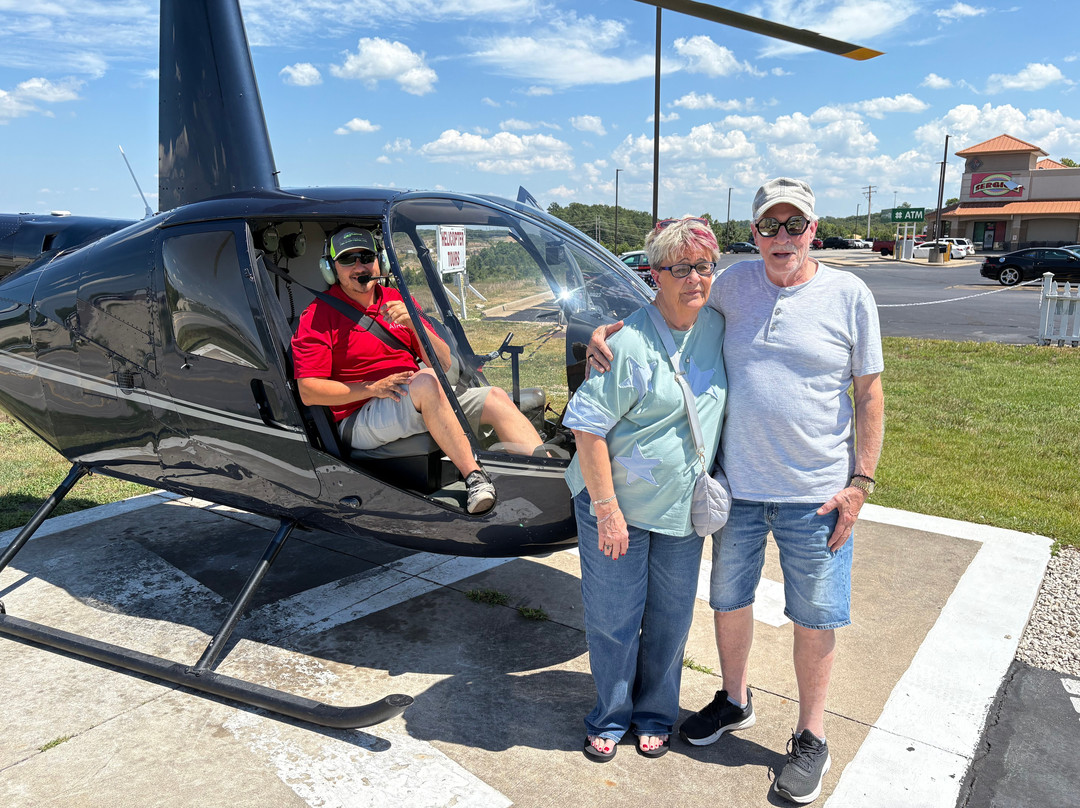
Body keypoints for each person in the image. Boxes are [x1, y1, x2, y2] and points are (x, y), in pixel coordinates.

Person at [587, 178, 884, 803]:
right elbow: (668, 302)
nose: (782, 237)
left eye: (793, 225)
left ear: (813, 229)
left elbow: (869, 394)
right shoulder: (731, 284)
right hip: (737, 491)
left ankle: (810, 735)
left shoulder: (850, 294)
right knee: (728, 603)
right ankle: (734, 699)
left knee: (814, 614)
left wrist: (860, 482)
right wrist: (604, 333)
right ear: (752, 233)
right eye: (769, 226)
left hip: (819, 493)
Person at [565, 216, 727, 762]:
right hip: (618, 506)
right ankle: (609, 715)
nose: (693, 279)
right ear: (654, 274)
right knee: (614, 617)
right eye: (679, 268)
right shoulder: (626, 343)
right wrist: (606, 510)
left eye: (703, 266)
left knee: (672, 617)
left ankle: (656, 712)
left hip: (681, 509)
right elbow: (586, 427)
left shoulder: (720, 327)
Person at [291, 226, 546, 515]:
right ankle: (474, 478)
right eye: (348, 260)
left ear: (380, 263)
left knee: (495, 398)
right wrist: (372, 388)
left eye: (366, 257)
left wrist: (414, 324)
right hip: (359, 414)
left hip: (415, 394)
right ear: (331, 269)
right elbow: (308, 391)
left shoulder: (396, 299)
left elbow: (445, 364)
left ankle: (548, 478)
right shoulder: (317, 315)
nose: (359, 267)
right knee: (426, 381)